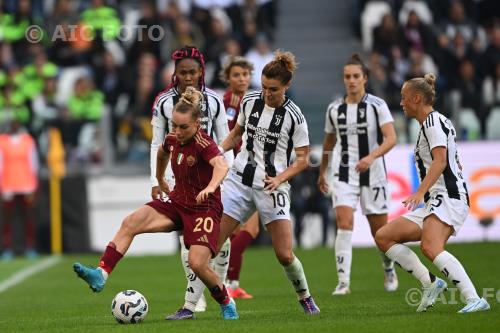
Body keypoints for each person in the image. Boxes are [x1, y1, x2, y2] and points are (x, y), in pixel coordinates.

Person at [73, 87, 239, 320]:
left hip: (204, 209)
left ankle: (226, 302)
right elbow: (162, 153)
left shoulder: (203, 143)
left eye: (184, 127)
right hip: (178, 202)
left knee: (197, 264)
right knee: (131, 222)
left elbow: (221, 165)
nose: (178, 132)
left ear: (197, 124)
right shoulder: (173, 139)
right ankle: (101, 273)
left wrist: (211, 188)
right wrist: (160, 179)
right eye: (174, 125)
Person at [375, 73, 490, 314]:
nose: (401, 102)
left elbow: (440, 162)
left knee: (430, 246)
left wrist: (419, 191)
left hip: (448, 196)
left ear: (416, 98)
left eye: (404, 97)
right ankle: (430, 283)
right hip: (436, 199)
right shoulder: (434, 122)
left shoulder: (432, 123)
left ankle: (475, 299)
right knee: (384, 236)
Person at [217, 50, 320, 314]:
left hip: (271, 186)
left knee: (284, 254)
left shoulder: (295, 117)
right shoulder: (250, 101)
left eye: (273, 89)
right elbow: (235, 134)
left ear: (286, 86)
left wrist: (280, 178)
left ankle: (305, 297)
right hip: (239, 179)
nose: (267, 93)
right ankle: (205, 302)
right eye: (263, 87)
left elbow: (303, 158)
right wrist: (216, 154)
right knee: (211, 244)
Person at [150, 46, 233, 317]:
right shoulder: (164, 102)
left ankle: (219, 290)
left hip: (213, 177)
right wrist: (157, 178)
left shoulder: (215, 100)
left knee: (219, 240)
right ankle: (195, 299)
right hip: (179, 178)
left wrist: (223, 173)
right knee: (188, 240)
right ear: (175, 74)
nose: (188, 78)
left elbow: (225, 140)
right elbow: (158, 144)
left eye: (192, 73)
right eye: (182, 73)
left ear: (201, 73)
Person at [317, 54, 398, 295]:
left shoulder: (377, 105)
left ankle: (388, 268)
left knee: (380, 233)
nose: (351, 81)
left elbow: (391, 138)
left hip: (373, 174)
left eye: (355, 76)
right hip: (344, 173)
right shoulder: (335, 109)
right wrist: (322, 171)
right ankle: (343, 283)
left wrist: (371, 156)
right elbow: (329, 141)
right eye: (347, 77)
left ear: (365, 78)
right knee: (344, 223)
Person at [220, 56, 259, 299]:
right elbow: (229, 136)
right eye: (237, 75)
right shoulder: (227, 102)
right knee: (247, 228)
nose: (242, 79)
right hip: (233, 171)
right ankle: (228, 283)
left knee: (240, 231)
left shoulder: (255, 100)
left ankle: (230, 283)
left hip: (251, 168)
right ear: (228, 78)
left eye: (245, 74)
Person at [0, 120, 39, 260]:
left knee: (28, 217)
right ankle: (7, 248)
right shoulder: (2, 141)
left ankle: (30, 247)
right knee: (7, 218)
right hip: (8, 185)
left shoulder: (28, 140)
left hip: (26, 184)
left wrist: (34, 185)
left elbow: (33, 163)